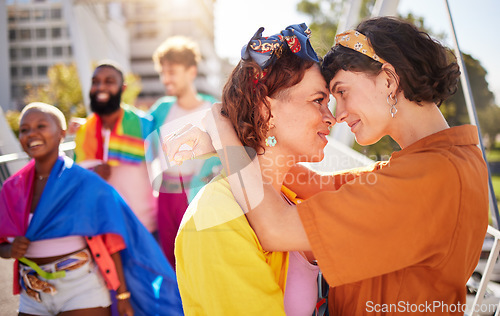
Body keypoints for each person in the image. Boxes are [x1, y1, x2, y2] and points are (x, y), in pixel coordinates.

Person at [166, 16, 489, 315]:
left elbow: (277, 228)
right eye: (322, 99)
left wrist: (225, 133)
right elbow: (321, 185)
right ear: (268, 110)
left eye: (341, 93)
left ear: (389, 80)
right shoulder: (445, 163)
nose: (338, 114)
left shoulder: (429, 179)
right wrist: (249, 132)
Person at [173, 24, 334, 315]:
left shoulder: (287, 198)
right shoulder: (215, 216)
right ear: (265, 110)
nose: (331, 118)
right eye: (318, 100)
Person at [0, 102, 183, 316]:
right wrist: (10, 250)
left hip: (82, 289)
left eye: (41, 126)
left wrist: (123, 295)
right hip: (31, 291)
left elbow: (112, 239)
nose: (32, 134)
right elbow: (2, 243)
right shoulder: (11, 188)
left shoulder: (86, 182)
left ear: (61, 133)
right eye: (24, 129)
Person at [148, 35, 221, 269]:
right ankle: (174, 306)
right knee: (169, 259)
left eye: (172, 71)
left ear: (191, 71)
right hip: (166, 194)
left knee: (197, 257)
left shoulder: (213, 109)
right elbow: (132, 127)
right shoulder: (161, 108)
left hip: (199, 194)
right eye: (163, 72)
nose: (165, 78)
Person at [74, 61, 158, 235]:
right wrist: (93, 174)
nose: (100, 87)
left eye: (109, 82)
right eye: (95, 82)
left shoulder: (144, 124)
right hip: (105, 228)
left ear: (123, 88)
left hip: (146, 226)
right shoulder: (84, 131)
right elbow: (77, 178)